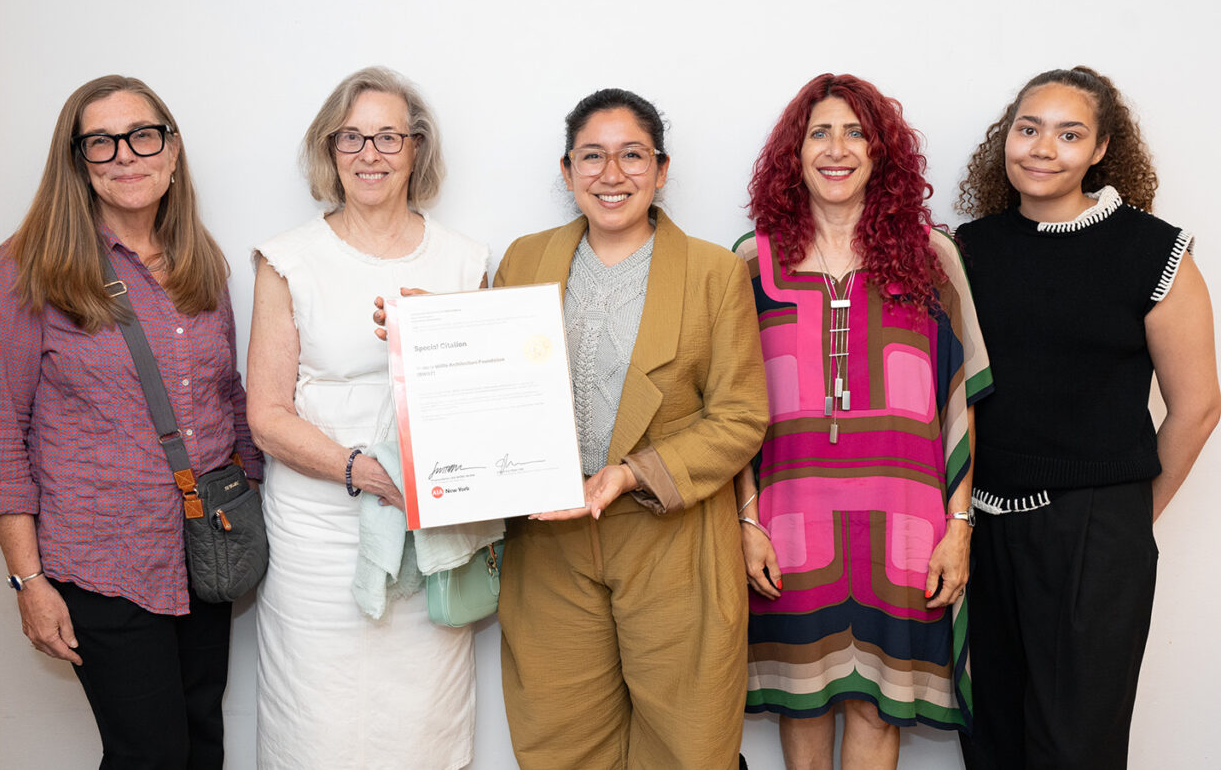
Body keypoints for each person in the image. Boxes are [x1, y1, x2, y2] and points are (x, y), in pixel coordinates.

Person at [0, 74, 262, 769]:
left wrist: (254, 492)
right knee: (149, 753)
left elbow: (225, 395)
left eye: (142, 135)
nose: (126, 155)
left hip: (204, 548)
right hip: (101, 561)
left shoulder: (200, 262)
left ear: (172, 150)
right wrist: (28, 582)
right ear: (79, 161)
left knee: (201, 741)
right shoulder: (27, 268)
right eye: (102, 142)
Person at [484, 88, 768, 768]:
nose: (612, 174)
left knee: (687, 738)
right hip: (549, 538)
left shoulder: (714, 273)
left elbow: (740, 414)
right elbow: (494, 380)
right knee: (560, 737)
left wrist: (631, 472)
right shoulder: (524, 259)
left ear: (662, 169)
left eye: (632, 155)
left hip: (669, 537)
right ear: (566, 170)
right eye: (593, 156)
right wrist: (429, 333)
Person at [954, 66, 1220, 769]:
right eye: (1028, 128)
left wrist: (1128, 517)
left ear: (1102, 149)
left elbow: (1197, 407)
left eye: (1069, 133)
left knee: (1075, 747)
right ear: (1004, 139)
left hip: (1096, 528)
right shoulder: (969, 249)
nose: (1043, 148)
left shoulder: (1151, 249)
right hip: (979, 528)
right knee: (990, 737)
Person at [733, 73, 992, 770]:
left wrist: (959, 529)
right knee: (804, 705)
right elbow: (731, 407)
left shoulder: (931, 258)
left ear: (882, 153)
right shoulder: (751, 264)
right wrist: (746, 520)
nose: (837, 148)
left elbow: (958, 402)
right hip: (790, 525)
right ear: (795, 152)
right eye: (820, 131)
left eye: (855, 132)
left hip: (906, 523)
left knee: (879, 707)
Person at [246, 67, 489, 769]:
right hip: (316, 542)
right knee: (314, 729)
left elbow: (487, 401)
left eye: (387, 136)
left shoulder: (465, 260)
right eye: (350, 136)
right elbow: (266, 414)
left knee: (423, 728)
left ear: (417, 148)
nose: (369, 153)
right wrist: (363, 471)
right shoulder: (287, 259)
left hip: (429, 539)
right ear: (329, 150)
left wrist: (443, 330)